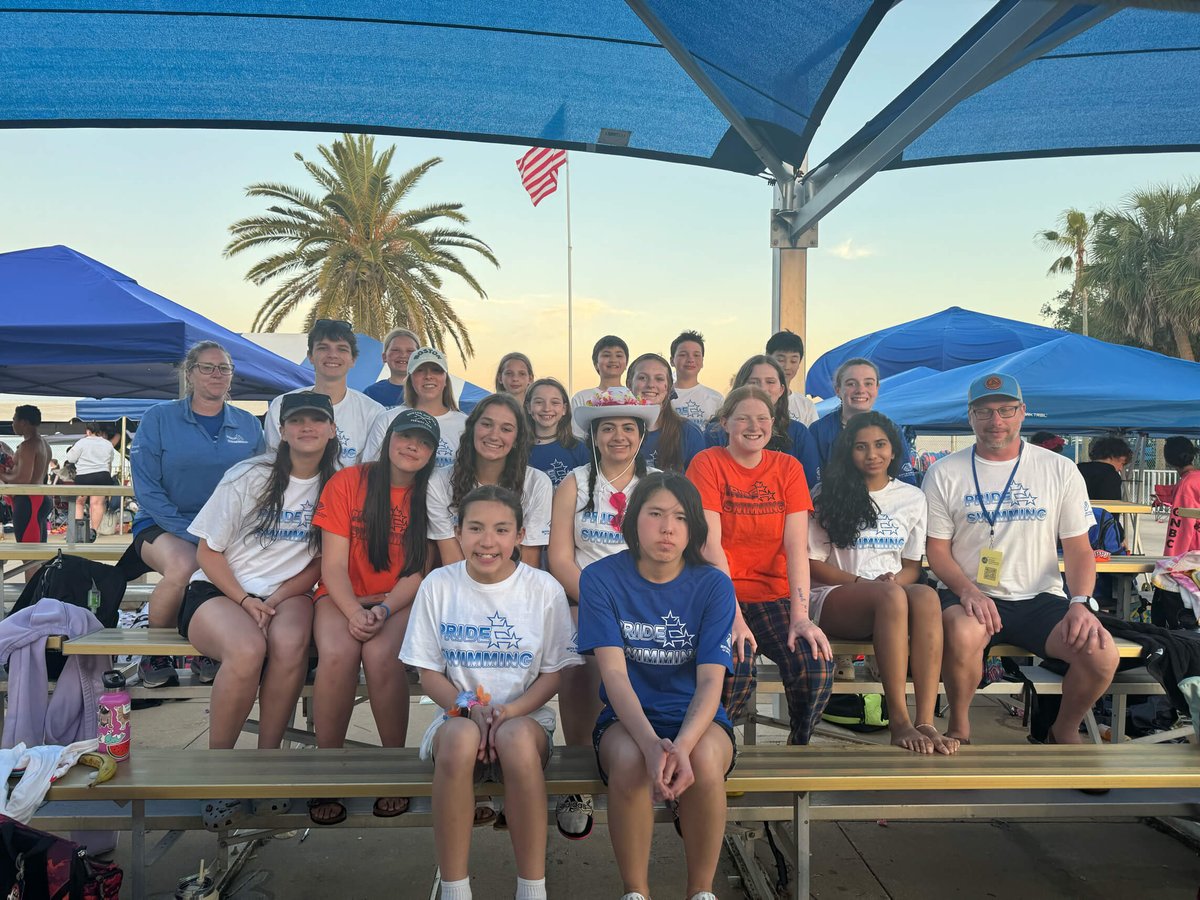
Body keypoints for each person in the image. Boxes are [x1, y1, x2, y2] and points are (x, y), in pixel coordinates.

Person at [400, 485, 581, 900]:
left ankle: (532, 888)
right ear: (458, 532)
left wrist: (508, 711)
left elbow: (552, 674)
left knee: (515, 738)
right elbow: (428, 674)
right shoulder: (438, 585)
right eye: (476, 528)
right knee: (462, 738)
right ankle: (455, 887)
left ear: (519, 535)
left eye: (501, 530)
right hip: (456, 719)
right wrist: (471, 711)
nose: (487, 541)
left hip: (525, 721)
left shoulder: (543, 589)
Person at [923, 373, 1118, 745]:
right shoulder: (944, 472)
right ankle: (959, 727)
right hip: (968, 593)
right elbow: (937, 550)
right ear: (970, 416)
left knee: (1101, 655)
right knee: (964, 634)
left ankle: (1063, 728)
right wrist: (968, 592)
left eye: (1006, 410)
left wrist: (1080, 602)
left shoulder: (1059, 468)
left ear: (1023, 412)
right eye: (984, 411)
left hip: (1040, 598)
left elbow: (1078, 547)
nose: (996, 420)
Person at [180, 391, 338, 830]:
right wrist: (247, 600)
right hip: (219, 591)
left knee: (288, 643)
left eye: (317, 421)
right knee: (248, 650)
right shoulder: (248, 475)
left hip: (287, 594)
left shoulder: (339, 482)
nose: (307, 428)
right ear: (282, 431)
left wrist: (275, 598)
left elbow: (322, 562)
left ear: (331, 429)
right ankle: (220, 776)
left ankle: (268, 766)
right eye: (297, 421)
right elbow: (207, 553)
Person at [577, 473, 736, 900]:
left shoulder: (714, 584)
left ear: (694, 529)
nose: (668, 527)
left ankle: (701, 891)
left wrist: (680, 745)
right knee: (629, 760)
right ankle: (636, 891)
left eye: (681, 517)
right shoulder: (600, 578)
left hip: (698, 719)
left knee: (701, 760)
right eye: (656, 514)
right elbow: (613, 675)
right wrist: (650, 744)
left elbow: (710, 681)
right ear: (633, 521)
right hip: (626, 719)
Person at [307, 409, 439, 826]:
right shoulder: (349, 481)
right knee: (337, 654)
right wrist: (352, 611)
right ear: (389, 438)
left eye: (423, 441)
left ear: (433, 452)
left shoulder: (430, 492)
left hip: (396, 598)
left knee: (383, 656)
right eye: (405, 436)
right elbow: (331, 565)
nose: (412, 446)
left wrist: (382, 609)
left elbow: (419, 570)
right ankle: (327, 771)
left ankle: (393, 767)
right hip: (341, 592)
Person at [686, 386, 834, 745]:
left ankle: (798, 747)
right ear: (725, 423)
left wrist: (801, 617)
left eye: (762, 419)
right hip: (720, 593)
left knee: (814, 664)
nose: (754, 426)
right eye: (743, 419)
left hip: (774, 596)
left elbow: (797, 547)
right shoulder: (707, 463)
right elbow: (710, 544)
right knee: (735, 665)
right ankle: (715, 748)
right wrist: (732, 618)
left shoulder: (787, 467)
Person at [808, 412, 956, 755]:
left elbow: (911, 566)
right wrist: (866, 583)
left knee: (925, 597)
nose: (871, 454)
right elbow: (813, 564)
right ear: (848, 452)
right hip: (835, 598)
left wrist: (891, 581)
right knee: (892, 594)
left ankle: (925, 721)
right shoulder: (825, 493)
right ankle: (899, 721)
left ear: (893, 451)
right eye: (861, 447)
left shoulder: (912, 497)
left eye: (879, 445)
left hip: (892, 597)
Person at [548, 387, 658, 841]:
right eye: (607, 427)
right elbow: (559, 557)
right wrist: (598, 602)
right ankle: (578, 775)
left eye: (628, 427)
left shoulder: (658, 482)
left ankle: (660, 759)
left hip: (647, 597)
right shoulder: (574, 481)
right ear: (593, 435)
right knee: (577, 658)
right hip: (586, 595)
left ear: (641, 434)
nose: (618, 435)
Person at [129, 341, 265, 687]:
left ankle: (209, 649)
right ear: (190, 374)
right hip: (163, 524)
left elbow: (263, 481)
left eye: (224, 368)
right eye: (207, 367)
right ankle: (154, 655)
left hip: (229, 529)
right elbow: (146, 489)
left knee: (235, 567)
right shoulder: (158, 419)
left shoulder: (249, 425)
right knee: (189, 564)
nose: (216, 374)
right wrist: (196, 533)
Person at [427, 393, 552, 566]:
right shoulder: (438, 482)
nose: (494, 435)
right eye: (486, 424)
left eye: (506, 429)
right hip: (459, 584)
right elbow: (452, 563)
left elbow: (529, 565)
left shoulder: (537, 483)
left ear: (517, 439)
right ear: (472, 429)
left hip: (514, 586)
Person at [265, 318, 384, 466]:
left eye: (342, 349)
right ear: (310, 357)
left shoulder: (373, 412)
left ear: (353, 359)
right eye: (323, 348)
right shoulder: (281, 405)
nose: (332, 355)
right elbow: (275, 465)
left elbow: (371, 472)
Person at [703, 355, 820, 488]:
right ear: (740, 387)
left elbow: (810, 486)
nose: (762, 389)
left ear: (781, 390)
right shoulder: (716, 431)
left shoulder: (798, 433)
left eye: (770, 382)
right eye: (754, 382)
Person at [808, 357, 918, 485]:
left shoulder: (892, 431)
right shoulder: (819, 431)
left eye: (868, 383)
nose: (860, 390)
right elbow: (811, 484)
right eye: (851, 384)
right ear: (837, 390)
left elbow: (906, 484)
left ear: (877, 388)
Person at [364, 347, 467, 469]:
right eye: (420, 370)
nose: (428, 376)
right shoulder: (387, 419)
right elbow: (369, 471)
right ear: (410, 379)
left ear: (446, 379)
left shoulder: (465, 425)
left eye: (436, 370)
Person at [627, 353, 705, 473]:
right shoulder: (615, 432)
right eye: (642, 378)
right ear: (629, 384)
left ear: (669, 387)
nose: (651, 385)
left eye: (659, 379)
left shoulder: (689, 433)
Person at [0, 405, 52, 544]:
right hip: (40, 497)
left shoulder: (28, 445)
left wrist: (3, 476)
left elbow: (23, 478)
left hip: (27, 500)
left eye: (14, 420)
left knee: (28, 555)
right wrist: (11, 468)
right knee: (38, 554)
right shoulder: (44, 443)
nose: (12, 424)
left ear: (23, 422)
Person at [524, 378, 588, 488]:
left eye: (554, 403)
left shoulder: (578, 448)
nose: (547, 408)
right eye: (539, 402)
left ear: (564, 409)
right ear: (529, 407)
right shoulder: (517, 449)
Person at [65, 423, 117, 540]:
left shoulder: (82, 442)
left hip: (84, 475)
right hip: (103, 475)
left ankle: (79, 531)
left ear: (88, 431)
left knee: (79, 502)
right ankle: (94, 531)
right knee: (97, 504)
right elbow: (110, 459)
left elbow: (70, 458)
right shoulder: (107, 444)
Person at [570, 335, 630, 437]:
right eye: (606, 355)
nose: (613, 360)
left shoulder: (633, 397)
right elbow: (577, 436)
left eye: (619, 355)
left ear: (626, 363)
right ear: (596, 363)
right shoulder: (581, 398)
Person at [669, 331, 723, 428]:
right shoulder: (663, 397)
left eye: (696, 355)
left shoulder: (716, 398)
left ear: (702, 361)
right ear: (672, 361)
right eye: (683, 355)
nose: (690, 359)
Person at [767, 329, 818, 426]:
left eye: (793, 361)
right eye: (781, 359)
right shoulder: (753, 399)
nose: (787, 366)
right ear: (768, 357)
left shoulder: (806, 406)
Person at [363, 327, 420, 407]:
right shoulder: (371, 393)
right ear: (384, 357)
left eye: (410, 351)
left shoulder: (429, 391)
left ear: (420, 357)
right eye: (396, 350)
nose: (403, 355)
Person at [1163, 436, 1200, 558]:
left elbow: (1179, 526)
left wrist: (1170, 561)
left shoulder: (1186, 485)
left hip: (1195, 553)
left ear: (1169, 460)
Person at [1077, 436, 1133, 501]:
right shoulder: (1111, 476)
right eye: (1122, 463)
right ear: (1113, 456)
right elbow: (1113, 506)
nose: (1121, 468)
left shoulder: (1077, 468)